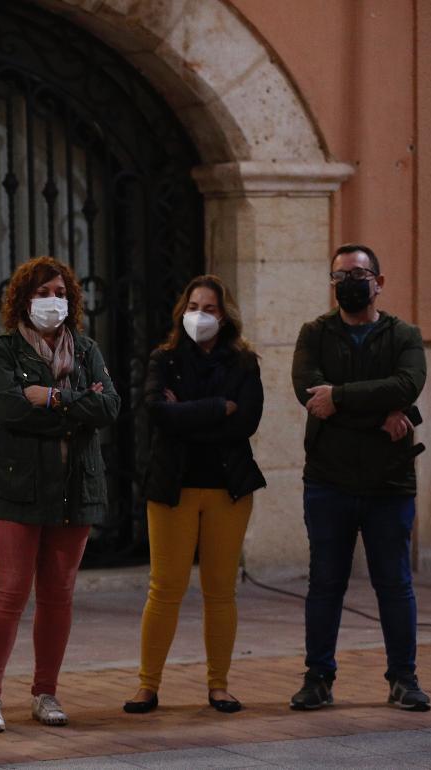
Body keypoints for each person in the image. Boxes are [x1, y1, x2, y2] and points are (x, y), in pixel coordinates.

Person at [0, 256, 120, 732]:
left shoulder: (86, 349)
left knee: (58, 595)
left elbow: (110, 406)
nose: (50, 301)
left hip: (75, 485)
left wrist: (53, 396)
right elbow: (10, 410)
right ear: (23, 300)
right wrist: (80, 404)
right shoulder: (3, 349)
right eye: (39, 294)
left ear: (70, 299)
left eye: (57, 292)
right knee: (8, 593)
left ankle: (45, 692)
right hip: (16, 484)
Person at [290, 244, 430, 712]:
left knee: (394, 583)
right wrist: (383, 414)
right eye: (340, 276)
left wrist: (343, 398)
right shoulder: (314, 333)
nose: (349, 282)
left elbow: (407, 385)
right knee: (325, 583)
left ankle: (404, 678)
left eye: (358, 273)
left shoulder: (403, 334)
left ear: (379, 282)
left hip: (389, 483)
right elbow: (309, 396)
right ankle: (318, 677)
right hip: (328, 480)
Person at [123, 275, 265, 715]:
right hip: (173, 486)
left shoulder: (244, 363)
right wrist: (214, 408)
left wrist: (185, 412)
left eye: (209, 308)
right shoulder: (164, 359)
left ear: (225, 316)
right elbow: (156, 412)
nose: (199, 315)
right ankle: (147, 685)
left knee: (220, 589)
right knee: (165, 587)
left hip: (229, 487)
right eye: (193, 305)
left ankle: (219, 685)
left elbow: (246, 422)